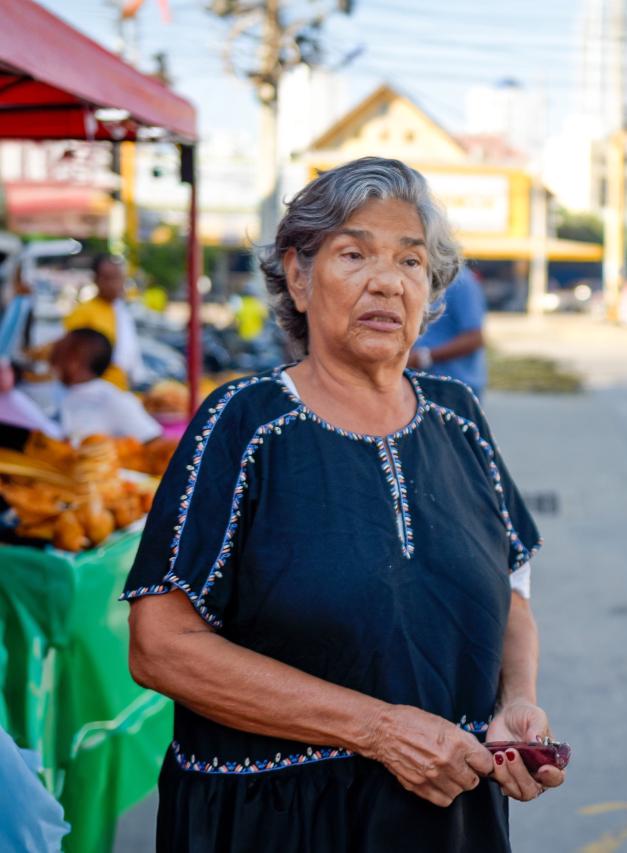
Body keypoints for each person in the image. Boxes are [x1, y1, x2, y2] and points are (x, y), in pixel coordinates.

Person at [122, 157, 562, 853]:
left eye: (411, 261)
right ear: (298, 276)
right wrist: (378, 727)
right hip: (275, 822)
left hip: (447, 817)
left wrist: (517, 703)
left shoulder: (458, 416)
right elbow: (160, 647)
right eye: (354, 253)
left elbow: (510, 592)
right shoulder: (245, 422)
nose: (387, 281)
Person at [50, 329, 161, 446]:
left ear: (76, 360)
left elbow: (155, 442)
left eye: (60, 351)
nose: (52, 354)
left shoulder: (114, 400)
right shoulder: (58, 388)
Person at [64, 255, 143, 389]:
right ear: (96, 280)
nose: (115, 284)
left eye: (119, 278)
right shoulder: (83, 312)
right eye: (109, 278)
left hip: (118, 389)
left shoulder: (120, 311)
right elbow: (69, 360)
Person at [411, 265, 487, 399]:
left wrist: (423, 357)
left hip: (455, 387)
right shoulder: (421, 276)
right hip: (425, 384)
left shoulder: (461, 281)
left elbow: (475, 338)